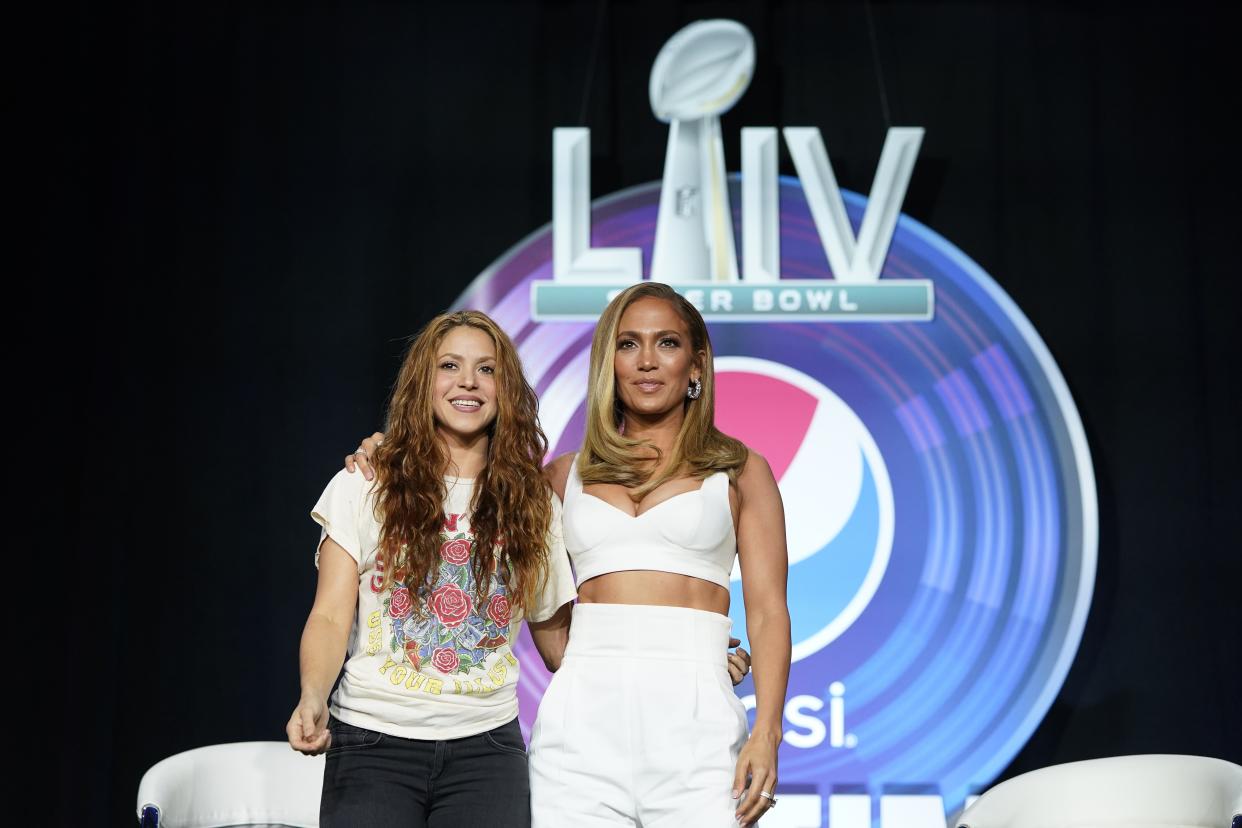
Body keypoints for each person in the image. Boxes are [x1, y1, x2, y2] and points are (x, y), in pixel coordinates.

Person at [351, 283, 790, 826]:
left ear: (696, 364)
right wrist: (383, 453)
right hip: (579, 732)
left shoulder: (743, 471)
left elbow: (769, 611)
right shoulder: (558, 478)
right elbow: (470, 496)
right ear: (608, 363)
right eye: (628, 344)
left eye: (667, 343)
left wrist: (766, 730)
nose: (647, 362)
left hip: (699, 731)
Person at [286, 310, 578, 828]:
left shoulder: (533, 503)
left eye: (486, 370)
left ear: (505, 388)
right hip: (372, 743)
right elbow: (330, 616)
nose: (468, 381)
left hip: (487, 750)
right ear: (424, 382)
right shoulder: (364, 483)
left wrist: (683, 653)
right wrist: (313, 695)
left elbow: (560, 645)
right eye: (450, 365)